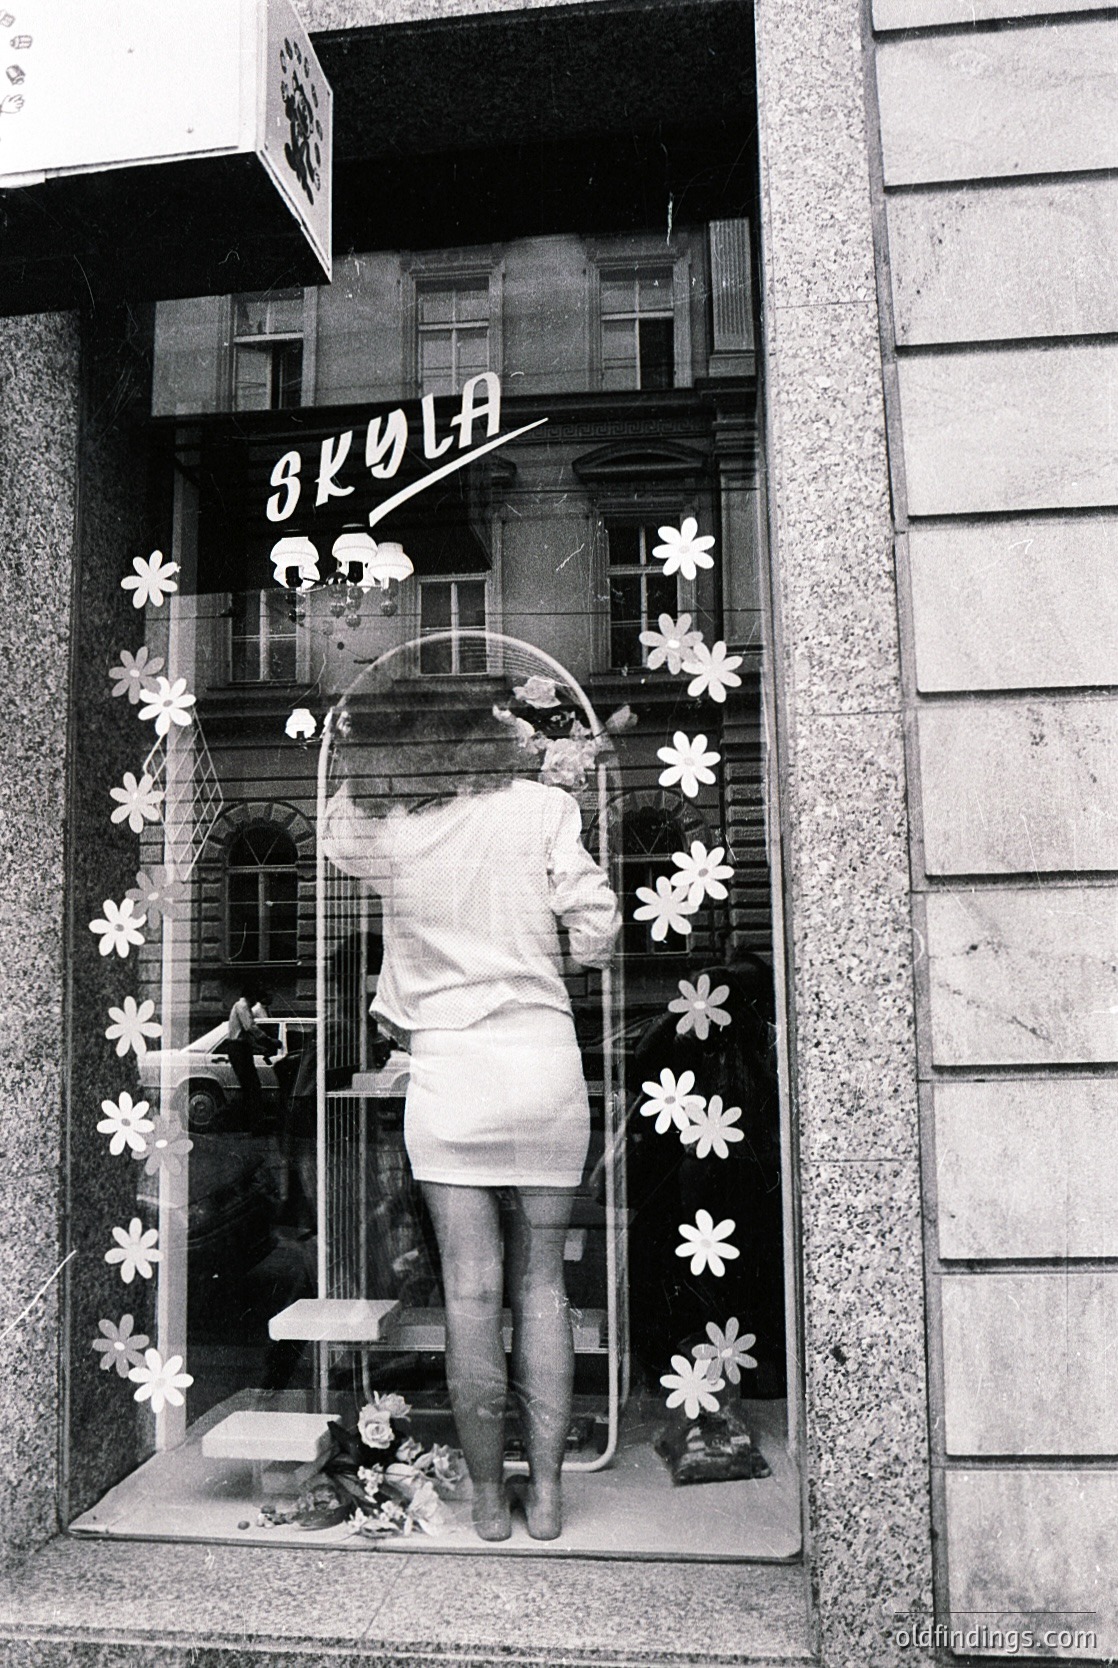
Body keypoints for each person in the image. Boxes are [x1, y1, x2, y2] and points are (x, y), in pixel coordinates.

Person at [322, 692, 620, 1541]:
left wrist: (373, 759)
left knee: (470, 1294)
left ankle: (490, 1502)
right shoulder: (543, 809)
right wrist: (557, 955)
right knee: (542, 1287)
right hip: (542, 1062)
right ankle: (552, 1497)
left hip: (449, 1075)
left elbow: (338, 822)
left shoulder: (390, 832)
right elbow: (595, 926)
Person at [226, 980, 277, 1125]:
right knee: (252, 1086)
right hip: (238, 1049)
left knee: (251, 1086)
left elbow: (246, 1035)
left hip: (240, 1048)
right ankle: (254, 1123)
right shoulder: (242, 1006)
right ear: (251, 995)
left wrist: (260, 1048)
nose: (257, 999)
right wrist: (268, 1040)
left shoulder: (243, 1006)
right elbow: (250, 1028)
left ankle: (252, 1121)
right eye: (255, 995)